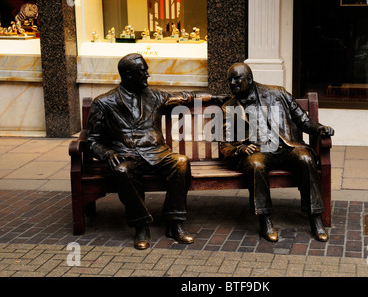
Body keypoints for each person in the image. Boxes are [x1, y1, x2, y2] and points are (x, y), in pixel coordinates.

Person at [85, 53, 225, 250]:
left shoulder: (155, 96)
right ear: (128, 75)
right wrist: (107, 153)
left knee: (181, 162)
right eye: (143, 71)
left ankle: (174, 223)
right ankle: (141, 226)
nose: (148, 75)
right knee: (122, 171)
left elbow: (187, 97)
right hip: (127, 155)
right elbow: (91, 140)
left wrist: (219, 98)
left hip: (157, 153)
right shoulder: (104, 102)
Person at [219, 63, 335, 242]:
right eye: (230, 80)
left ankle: (315, 219)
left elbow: (303, 120)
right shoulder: (229, 107)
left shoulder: (278, 93)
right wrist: (240, 148)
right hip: (258, 151)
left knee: (305, 157)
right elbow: (224, 145)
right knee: (256, 164)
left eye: (237, 79)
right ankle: (265, 221)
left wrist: (320, 128)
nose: (232, 83)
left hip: (286, 147)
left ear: (249, 80)